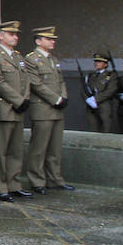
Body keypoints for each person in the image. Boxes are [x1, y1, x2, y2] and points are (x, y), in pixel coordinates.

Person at [24, 26, 73, 193]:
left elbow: (61, 81)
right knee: (39, 147)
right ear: (38, 41)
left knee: (55, 147)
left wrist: (64, 97)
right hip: (42, 108)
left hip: (57, 109)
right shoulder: (31, 59)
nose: (53, 41)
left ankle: (55, 178)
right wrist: (56, 99)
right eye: (49, 39)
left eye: (53, 39)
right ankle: (37, 181)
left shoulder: (53, 59)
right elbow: (36, 84)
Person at [0, 21, 31, 201]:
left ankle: (14, 183)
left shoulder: (19, 57)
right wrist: (18, 100)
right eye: (11, 34)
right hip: (5, 109)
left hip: (18, 109)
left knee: (16, 150)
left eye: (16, 34)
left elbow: (26, 80)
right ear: (1, 36)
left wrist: (25, 98)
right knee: (0, 151)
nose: (15, 37)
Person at [84, 53, 118, 134]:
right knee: (93, 130)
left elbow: (111, 90)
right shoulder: (90, 75)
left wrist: (95, 99)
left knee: (106, 130)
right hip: (91, 107)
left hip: (104, 106)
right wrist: (87, 99)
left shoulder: (111, 75)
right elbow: (84, 89)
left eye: (99, 62)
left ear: (105, 64)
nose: (96, 63)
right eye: (96, 61)